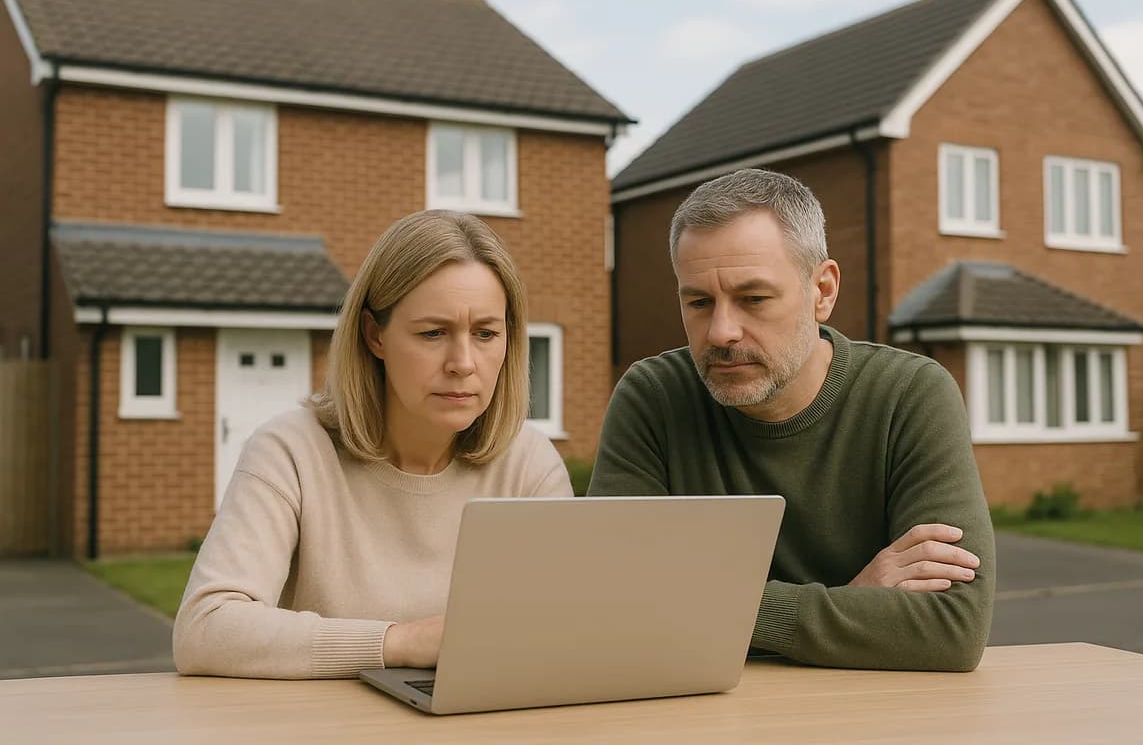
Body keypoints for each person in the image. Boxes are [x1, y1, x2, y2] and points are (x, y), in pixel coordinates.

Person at [588, 168, 994, 672]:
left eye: (754, 299)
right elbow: (613, 606)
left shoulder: (909, 395)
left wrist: (708, 606)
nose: (720, 331)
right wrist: (851, 601)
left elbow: (951, 631)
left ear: (822, 290)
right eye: (698, 302)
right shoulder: (653, 396)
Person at [174, 210, 572, 679]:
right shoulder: (290, 452)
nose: (463, 363)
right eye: (433, 333)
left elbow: (561, 635)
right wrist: (398, 642)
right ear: (374, 334)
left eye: (485, 333)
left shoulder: (529, 463)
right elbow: (206, 629)